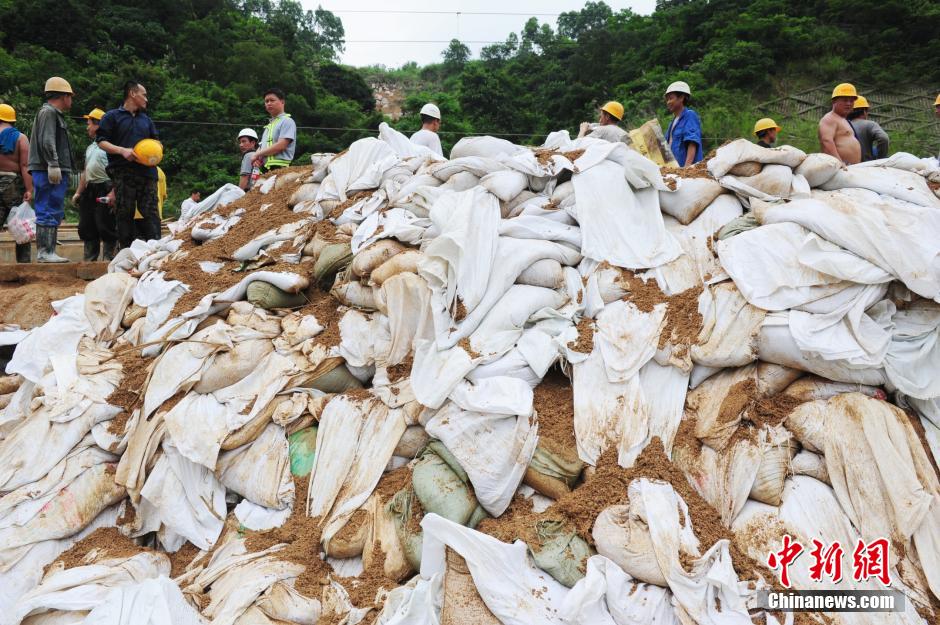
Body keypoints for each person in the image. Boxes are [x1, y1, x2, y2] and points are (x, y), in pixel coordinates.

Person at [97, 80, 161, 248]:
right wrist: (122, 151)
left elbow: (157, 143)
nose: (147, 99)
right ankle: (126, 252)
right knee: (124, 213)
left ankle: (157, 251)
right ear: (132, 94)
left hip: (147, 174)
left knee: (151, 213)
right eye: (144, 95)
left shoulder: (147, 120)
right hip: (123, 174)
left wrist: (157, 150)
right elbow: (101, 142)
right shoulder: (111, 117)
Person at [27, 76, 74, 263]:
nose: (71, 100)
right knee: (47, 207)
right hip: (48, 169)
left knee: (53, 208)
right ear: (63, 96)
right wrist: (53, 163)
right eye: (70, 96)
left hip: (51, 168)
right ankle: (45, 252)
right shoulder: (49, 113)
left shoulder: (53, 114)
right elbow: (47, 140)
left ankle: (49, 251)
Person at [72, 108, 117, 261]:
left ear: (98, 125)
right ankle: (89, 261)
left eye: (89, 123)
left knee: (106, 225)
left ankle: (108, 260)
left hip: (106, 187)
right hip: (91, 189)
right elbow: (85, 172)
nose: (87, 127)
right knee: (87, 226)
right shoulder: (91, 147)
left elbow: (118, 171)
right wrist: (78, 192)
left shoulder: (110, 146)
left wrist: (114, 192)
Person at [0, 103, 33, 263]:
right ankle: (24, 264)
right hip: (13, 183)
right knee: (20, 224)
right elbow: (25, 165)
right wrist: (29, 189)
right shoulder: (20, 137)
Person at [252, 88, 296, 172]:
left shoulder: (287, 121)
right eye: (266, 101)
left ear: (282, 102)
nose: (269, 103)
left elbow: (281, 145)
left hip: (280, 167)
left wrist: (257, 154)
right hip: (265, 168)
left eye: (272, 100)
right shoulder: (269, 126)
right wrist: (257, 158)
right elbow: (262, 147)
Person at [819, 83, 861, 165]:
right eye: (845, 100)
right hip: (838, 168)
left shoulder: (843, 120)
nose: (848, 103)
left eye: (851, 101)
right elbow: (826, 141)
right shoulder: (830, 118)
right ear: (834, 101)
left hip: (849, 168)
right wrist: (839, 162)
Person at [664, 81, 703, 166]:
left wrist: (687, 168)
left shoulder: (689, 115)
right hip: (674, 170)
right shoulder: (672, 123)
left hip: (687, 172)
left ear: (681, 98)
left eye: (671, 98)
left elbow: (692, 142)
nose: (668, 102)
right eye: (667, 100)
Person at [847, 96, 889, 162]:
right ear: (864, 111)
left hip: (849, 165)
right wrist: (881, 159)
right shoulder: (870, 124)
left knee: (874, 149)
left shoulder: (843, 125)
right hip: (866, 164)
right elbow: (884, 138)